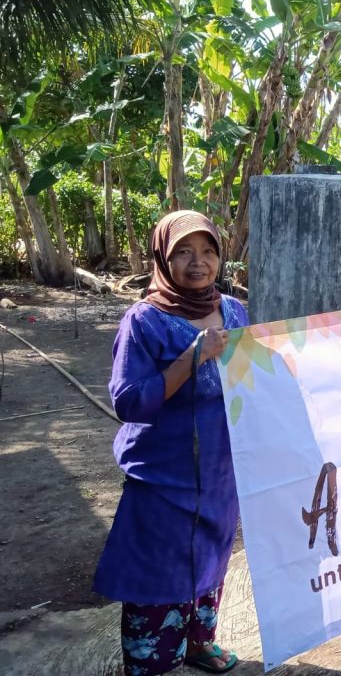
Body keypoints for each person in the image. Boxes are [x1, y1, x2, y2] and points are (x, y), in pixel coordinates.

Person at [94, 210, 247, 675]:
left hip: (221, 471)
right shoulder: (144, 321)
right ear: (163, 257)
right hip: (163, 476)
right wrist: (191, 358)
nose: (197, 262)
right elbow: (129, 402)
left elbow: (253, 380)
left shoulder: (236, 310)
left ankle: (200, 642)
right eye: (183, 251)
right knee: (159, 570)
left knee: (211, 559)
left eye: (207, 251)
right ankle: (151, 664)